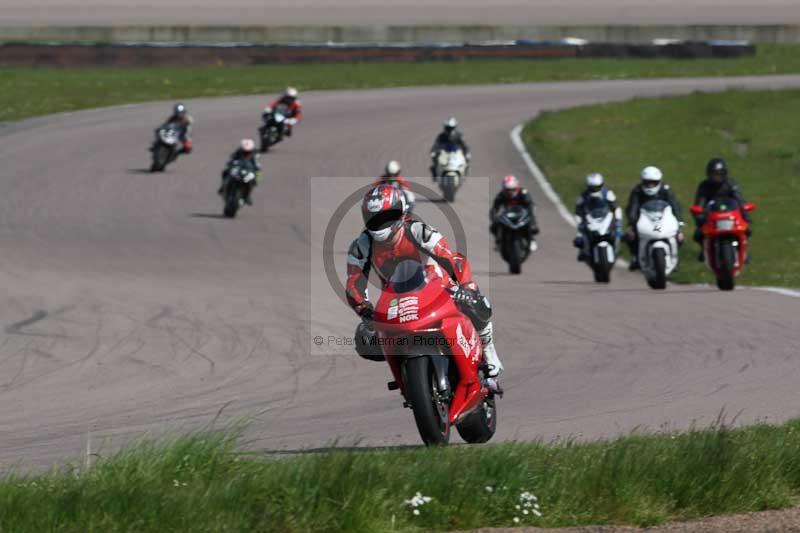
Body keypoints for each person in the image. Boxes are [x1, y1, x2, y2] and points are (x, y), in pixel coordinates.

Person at [346, 184, 504, 380]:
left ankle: (488, 350)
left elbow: (450, 258)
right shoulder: (362, 245)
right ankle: (405, 374)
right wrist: (365, 310)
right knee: (365, 338)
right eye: (375, 219)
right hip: (397, 297)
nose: (381, 224)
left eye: (387, 217)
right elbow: (354, 283)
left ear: (401, 210)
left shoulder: (418, 230)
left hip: (436, 286)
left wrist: (462, 287)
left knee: (474, 300)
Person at [624, 166, 684, 270]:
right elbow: (632, 207)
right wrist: (632, 221)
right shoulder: (637, 191)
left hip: (663, 219)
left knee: (679, 236)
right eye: (648, 182)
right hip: (643, 220)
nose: (650, 185)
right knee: (630, 236)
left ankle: (675, 257)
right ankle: (635, 257)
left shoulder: (665, 189)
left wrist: (679, 220)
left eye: (653, 182)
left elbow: (675, 206)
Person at [692, 157, 751, 261]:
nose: (716, 178)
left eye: (719, 174)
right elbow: (699, 204)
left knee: (746, 230)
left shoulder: (731, 184)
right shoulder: (704, 186)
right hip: (711, 216)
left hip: (730, 215)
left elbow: (740, 200)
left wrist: (745, 214)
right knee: (698, 234)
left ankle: (743, 250)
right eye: (714, 175)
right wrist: (700, 217)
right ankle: (704, 249)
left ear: (724, 174)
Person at [573, 173, 623, 262]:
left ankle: (617, 248)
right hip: (591, 218)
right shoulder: (583, 196)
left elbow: (616, 208)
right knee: (580, 238)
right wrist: (580, 224)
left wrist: (618, 221)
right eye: (592, 188)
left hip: (605, 217)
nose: (594, 190)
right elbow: (578, 211)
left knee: (618, 233)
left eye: (597, 187)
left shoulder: (607, 193)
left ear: (601, 185)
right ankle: (583, 251)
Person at [489, 174, 539, 252]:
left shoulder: (523, 193)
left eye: (512, 189)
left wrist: (531, 213)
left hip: (522, 214)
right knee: (493, 227)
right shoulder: (501, 195)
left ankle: (531, 239)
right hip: (508, 215)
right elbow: (495, 208)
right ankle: (499, 242)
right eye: (508, 190)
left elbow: (530, 204)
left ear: (517, 187)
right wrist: (494, 217)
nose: (510, 192)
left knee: (531, 222)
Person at [218, 139, 261, 205]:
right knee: (225, 172)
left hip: (248, 170)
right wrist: (230, 163)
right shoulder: (239, 151)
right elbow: (232, 158)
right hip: (238, 167)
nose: (246, 153)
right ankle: (222, 187)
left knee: (253, 181)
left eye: (247, 152)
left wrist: (257, 177)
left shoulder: (255, 153)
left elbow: (257, 165)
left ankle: (247, 196)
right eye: (244, 151)